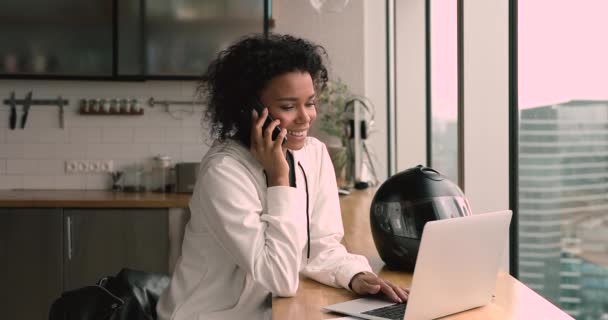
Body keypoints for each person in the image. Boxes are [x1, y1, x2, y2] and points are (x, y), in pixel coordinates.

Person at [156, 33, 409, 320]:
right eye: (288, 107)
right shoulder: (224, 172)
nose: (305, 117)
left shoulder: (314, 154)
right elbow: (280, 278)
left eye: (310, 102)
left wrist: (355, 275)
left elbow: (320, 246)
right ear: (249, 110)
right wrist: (280, 178)